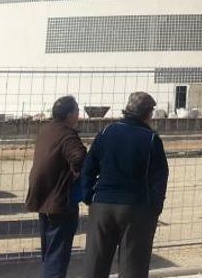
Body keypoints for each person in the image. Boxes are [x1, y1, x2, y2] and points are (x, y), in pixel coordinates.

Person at [80, 92, 169, 278]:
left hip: (102, 205)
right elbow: (159, 178)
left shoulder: (106, 132)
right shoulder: (151, 139)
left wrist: (88, 195)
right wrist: (154, 208)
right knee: (133, 266)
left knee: (95, 263)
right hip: (135, 208)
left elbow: (89, 166)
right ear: (148, 113)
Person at [25, 96, 87, 278]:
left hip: (42, 199)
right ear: (69, 114)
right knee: (57, 255)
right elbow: (80, 159)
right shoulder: (67, 134)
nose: (78, 115)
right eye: (77, 111)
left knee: (49, 252)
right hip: (60, 201)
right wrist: (78, 177)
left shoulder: (46, 130)